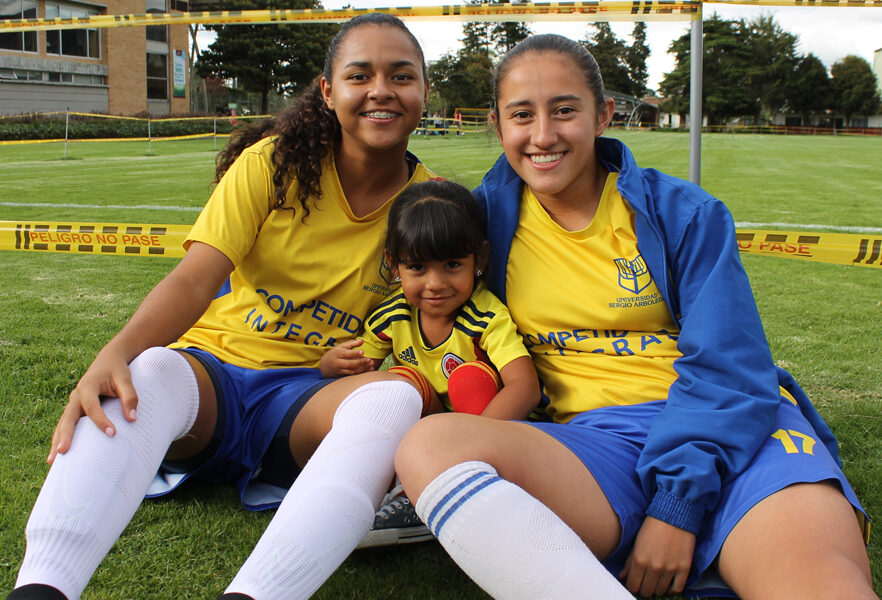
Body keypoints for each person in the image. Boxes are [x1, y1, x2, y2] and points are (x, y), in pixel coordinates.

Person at [395, 34, 875, 600]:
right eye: (522, 115)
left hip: (731, 433)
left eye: (565, 110)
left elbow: (729, 366)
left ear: (602, 115)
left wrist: (677, 506)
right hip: (594, 447)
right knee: (428, 446)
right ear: (499, 128)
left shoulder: (684, 213)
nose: (543, 135)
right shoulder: (484, 226)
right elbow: (415, 285)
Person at [9, 13, 437, 600]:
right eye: (360, 75)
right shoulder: (274, 163)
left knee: (394, 398)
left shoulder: (431, 206)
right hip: (212, 377)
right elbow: (193, 280)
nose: (381, 90)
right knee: (149, 370)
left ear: (424, 91)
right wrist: (115, 353)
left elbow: (441, 321)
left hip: (305, 397)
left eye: (401, 75)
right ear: (328, 91)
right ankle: (41, 588)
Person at [320, 179, 539, 420]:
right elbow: (362, 375)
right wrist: (331, 365)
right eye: (417, 267)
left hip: (481, 423)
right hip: (423, 424)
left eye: (452, 265)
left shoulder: (486, 316)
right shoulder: (394, 316)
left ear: (479, 259)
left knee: (470, 379)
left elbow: (525, 388)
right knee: (399, 382)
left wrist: (476, 436)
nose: (435, 284)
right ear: (393, 265)